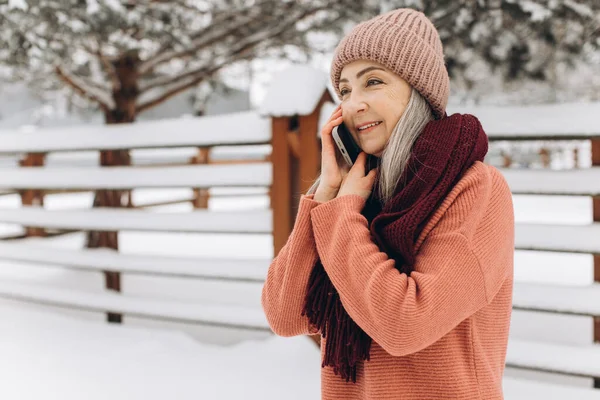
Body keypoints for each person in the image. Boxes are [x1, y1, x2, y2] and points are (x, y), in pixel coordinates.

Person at [261, 7, 514, 400]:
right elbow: (284, 313)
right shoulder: (355, 194)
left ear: (418, 91)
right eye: (344, 90)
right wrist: (325, 196)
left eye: (372, 82)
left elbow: (405, 324)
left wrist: (342, 218)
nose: (352, 104)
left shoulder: (475, 188)